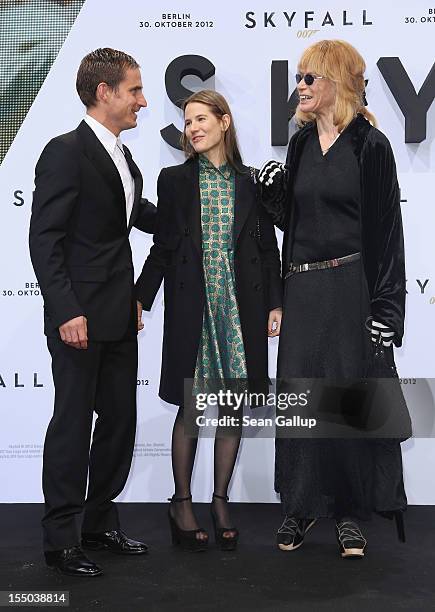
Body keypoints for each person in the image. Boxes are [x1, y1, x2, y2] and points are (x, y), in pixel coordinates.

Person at [258, 40, 408, 559]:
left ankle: (347, 513)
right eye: (298, 78)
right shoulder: (298, 146)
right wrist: (273, 197)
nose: (298, 87)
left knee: (344, 402)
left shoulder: (371, 146)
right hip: (302, 289)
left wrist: (386, 310)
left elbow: (388, 232)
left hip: (350, 289)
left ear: (336, 84)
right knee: (300, 399)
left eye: (308, 79)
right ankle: (299, 508)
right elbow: (297, 226)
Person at [135, 89, 282, 552]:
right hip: (193, 306)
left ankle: (219, 500)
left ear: (224, 121)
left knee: (233, 405)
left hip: (241, 308)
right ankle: (182, 502)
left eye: (201, 118)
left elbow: (267, 248)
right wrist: (140, 297)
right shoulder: (174, 180)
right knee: (192, 406)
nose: (193, 128)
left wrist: (276, 303)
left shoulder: (251, 181)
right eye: (187, 121)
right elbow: (162, 246)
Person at [29, 48, 156, 576]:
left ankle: (99, 524)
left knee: (119, 425)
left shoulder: (123, 156)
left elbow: (136, 215)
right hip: (78, 319)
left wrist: (202, 206)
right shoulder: (65, 151)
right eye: (134, 90)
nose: (143, 101)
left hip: (119, 317)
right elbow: (45, 238)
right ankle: (61, 539)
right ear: (103, 92)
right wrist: (66, 311)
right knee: (72, 426)